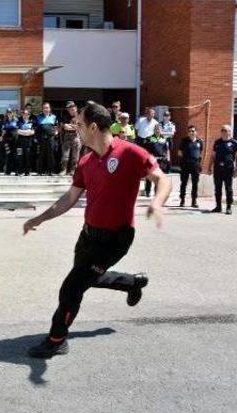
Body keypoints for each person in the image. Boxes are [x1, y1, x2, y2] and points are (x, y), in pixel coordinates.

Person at [23, 102, 171, 359]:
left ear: (93, 127)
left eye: (79, 124)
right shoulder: (86, 161)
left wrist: (157, 203)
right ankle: (133, 282)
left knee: (71, 288)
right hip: (88, 234)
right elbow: (69, 199)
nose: (75, 128)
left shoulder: (130, 153)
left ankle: (57, 340)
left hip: (115, 239)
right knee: (86, 278)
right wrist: (40, 218)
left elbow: (162, 179)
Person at [209, 125, 237, 215]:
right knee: (217, 188)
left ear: (229, 132)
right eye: (222, 130)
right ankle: (218, 206)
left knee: (228, 189)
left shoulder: (234, 143)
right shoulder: (217, 142)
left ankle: (228, 207)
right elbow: (213, 156)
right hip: (217, 168)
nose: (223, 131)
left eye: (225, 130)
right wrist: (209, 167)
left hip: (228, 169)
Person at [178, 125, 204, 208]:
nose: (191, 132)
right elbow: (179, 153)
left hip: (195, 165)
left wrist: (198, 163)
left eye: (193, 131)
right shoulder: (184, 141)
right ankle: (182, 200)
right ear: (188, 133)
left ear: (196, 132)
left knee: (195, 184)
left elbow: (200, 153)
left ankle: (194, 201)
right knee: (183, 183)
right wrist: (185, 160)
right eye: (189, 131)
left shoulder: (200, 142)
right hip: (185, 164)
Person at [60, 101, 81, 175]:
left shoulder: (80, 116)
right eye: (69, 108)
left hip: (76, 137)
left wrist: (71, 126)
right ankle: (64, 170)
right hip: (67, 137)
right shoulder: (65, 116)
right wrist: (74, 126)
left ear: (75, 108)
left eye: (72, 107)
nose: (70, 109)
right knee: (65, 155)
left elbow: (79, 128)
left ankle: (73, 170)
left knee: (75, 156)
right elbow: (65, 127)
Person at [36, 102, 58, 175]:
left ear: (50, 108)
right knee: (41, 155)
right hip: (41, 138)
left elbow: (56, 126)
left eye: (47, 107)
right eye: (44, 108)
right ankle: (39, 171)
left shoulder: (54, 117)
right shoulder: (38, 117)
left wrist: (56, 132)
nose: (46, 109)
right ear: (42, 109)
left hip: (51, 138)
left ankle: (50, 171)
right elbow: (35, 128)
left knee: (51, 155)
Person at [1, 109, 19, 175]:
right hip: (7, 141)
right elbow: (3, 131)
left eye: (10, 112)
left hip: (15, 141)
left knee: (15, 155)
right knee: (8, 155)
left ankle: (17, 170)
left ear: (12, 113)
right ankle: (8, 171)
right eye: (8, 112)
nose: (9, 113)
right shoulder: (5, 121)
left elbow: (18, 130)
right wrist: (1, 137)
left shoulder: (16, 120)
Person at [17, 109, 35, 176]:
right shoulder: (19, 122)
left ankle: (27, 172)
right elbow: (17, 131)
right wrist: (27, 132)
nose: (25, 115)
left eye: (27, 114)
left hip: (28, 143)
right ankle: (20, 171)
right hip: (19, 143)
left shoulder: (32, 122)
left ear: (29, 115)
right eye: (24, 114)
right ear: (22, 115)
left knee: (28, 157)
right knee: (20, 156)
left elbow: (33, 132)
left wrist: (23, 132)